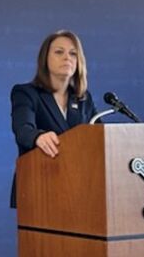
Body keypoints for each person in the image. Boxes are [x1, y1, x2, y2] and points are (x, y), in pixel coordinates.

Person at [10, 29, 99, 207]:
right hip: (40, 187)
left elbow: (99, 137)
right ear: (45, 59)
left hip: (80, 190)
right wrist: (38, 136)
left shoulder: (83, 98)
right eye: (59, 52)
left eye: (73, 53)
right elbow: (23, 129)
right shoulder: (26, 93)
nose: (67, 58)